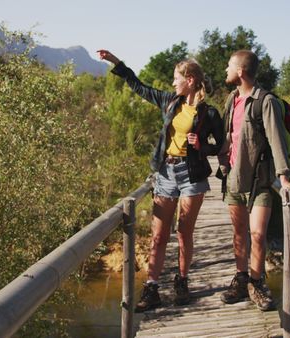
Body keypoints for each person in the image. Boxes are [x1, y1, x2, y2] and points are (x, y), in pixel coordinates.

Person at [97, 49, 224, 312]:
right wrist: (115, 62)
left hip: (192, 176)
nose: (172, 82)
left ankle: (182, 282)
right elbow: (138, 86)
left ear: (189, 80)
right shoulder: (169, 101)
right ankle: (152, 288)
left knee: (183, 233)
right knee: (158, 235)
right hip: (166, 173)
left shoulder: (209, 113)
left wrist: (202, 146)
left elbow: (220, 146)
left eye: (176, 78)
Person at [217, 50, 290, 311]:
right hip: (233, 177)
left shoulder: (266, 102)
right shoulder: (232, 99)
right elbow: (229, 134)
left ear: (241, 71)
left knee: (258, 234)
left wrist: (284, 178)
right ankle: (241, 280)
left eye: (229, 66)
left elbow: (276, 141)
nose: (225, 70)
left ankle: (256, 282)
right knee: (239, 233)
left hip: (260, 180)